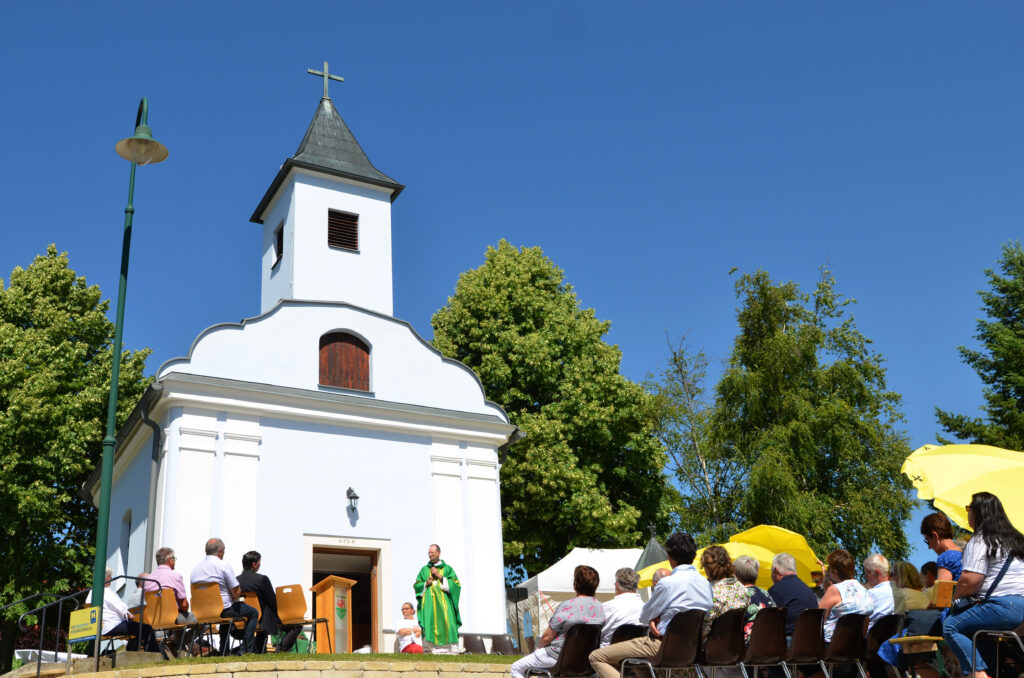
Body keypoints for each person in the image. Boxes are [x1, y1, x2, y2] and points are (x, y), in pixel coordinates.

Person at [589, 533, 712, 678]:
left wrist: (654, 618)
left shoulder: (668, 583)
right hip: (692, 648)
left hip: (662, 645)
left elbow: (644, 616)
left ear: (669, 556)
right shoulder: (706, 584)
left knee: (596, 657)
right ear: (693, 555)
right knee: (638, 664)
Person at [942, 492, 1024, 678]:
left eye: (968, 509)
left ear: (978, 512)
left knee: (951, 626)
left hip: (1002, 607)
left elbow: (971, 580)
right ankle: (989, 671)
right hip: (1022, 608)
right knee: (979, 633)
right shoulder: (1017, 540)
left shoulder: (981, 539)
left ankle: (977, 675)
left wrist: (953, 599)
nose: (967, 513)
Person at [510, 565, 604, 678]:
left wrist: (538, 649)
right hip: (585, 660)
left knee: (516, 668)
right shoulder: (601, 609)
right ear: (596, 585)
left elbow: (547, 637)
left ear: (575, 584)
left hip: (557, 656)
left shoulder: (567, 606)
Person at [190, 538, 258, 654]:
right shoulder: (223, 565)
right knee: (253, 613)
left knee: (225, 613)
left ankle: (224, 651)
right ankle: (245, 650)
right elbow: (236, 592)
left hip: (202, 612)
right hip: (223, 609)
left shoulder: (195, 570)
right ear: (220, 551)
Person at [236, 550, 301, 653]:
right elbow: (273, 602)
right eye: (259, 563)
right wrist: (283, 614)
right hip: (262, 620)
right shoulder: (262, 579)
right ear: (254, 564)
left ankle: (259, 650)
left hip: (241, 620)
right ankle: (280, 651)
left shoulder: (235, 581)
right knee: (297, 624)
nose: (260, 565)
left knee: (263, 621)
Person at [87, 569, 159, 653]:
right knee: (147, 628)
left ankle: (131, 651)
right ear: (106, 578)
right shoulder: (108, 592)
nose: (111, 578)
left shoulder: (91, 593)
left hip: (98, 628)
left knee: (135, 628)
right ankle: (155, 654)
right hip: (112, 625)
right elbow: (121, 608)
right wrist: (129, 615)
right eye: (110, 576)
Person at [145, 547, 200, 655]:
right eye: (174, 558)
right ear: (170, 560)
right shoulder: (175, 576)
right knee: (205, 620)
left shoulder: (148, 580)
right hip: (174, 617)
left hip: (156, 618)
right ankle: (177, 642)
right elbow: (184, 604)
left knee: (179, 626)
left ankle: (177, 645)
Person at [414, 544, 462, 653]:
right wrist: (426, 583)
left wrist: (439, 576)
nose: (430, 555)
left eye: (432, 553)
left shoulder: (448, 569)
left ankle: (449, 649)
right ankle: (430, 649)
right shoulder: (424, 570)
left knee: (448, 622)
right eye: (429, 553)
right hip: (429, 604)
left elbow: (456, 585)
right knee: (429, 622)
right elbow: (416, 585)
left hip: (445, 604)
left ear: (439, 553)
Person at [819, 549, 873, 642]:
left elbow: (816, 619)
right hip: (855, 646)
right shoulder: (866, 592)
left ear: (834, 571)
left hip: (830, 646)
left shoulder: (835, 589)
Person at [700, 546, 751, 640]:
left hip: (712, 647)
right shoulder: (742, 588)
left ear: (708, 568)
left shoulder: (711, 591)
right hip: (735, 646)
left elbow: (703, 631)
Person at [768, 552, 819, 637]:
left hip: (789, 644)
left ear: (776, 570)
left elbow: (769, 622)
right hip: (811, 642)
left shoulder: (776, 590)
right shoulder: (809, 591)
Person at [734, 555, 776, 641]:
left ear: (737, 574)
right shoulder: (766, 594)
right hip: (771, 645)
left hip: (748, 647)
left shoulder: (740, 595)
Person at [599, 567, 644, 646]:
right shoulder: (645, 607)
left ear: (617, 585)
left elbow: (598, 633)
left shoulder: (607, 607)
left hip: (607, 653)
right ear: (636, 585)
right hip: (636, 654)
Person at [922, 512, 964, 585]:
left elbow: (942, 594)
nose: (929, 547)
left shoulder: (946, 558)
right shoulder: (965, 554)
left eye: (927, 541)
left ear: (935, 536)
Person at [863, 553, 895, 626]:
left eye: (867, 574)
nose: (866, 578)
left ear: (877, 573)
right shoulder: (900, 593)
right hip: (895, 636)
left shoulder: (870, 594)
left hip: (871, 636)